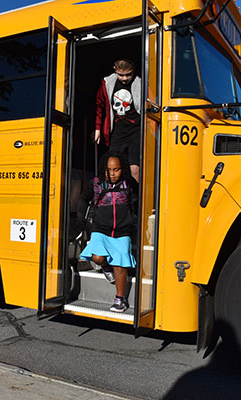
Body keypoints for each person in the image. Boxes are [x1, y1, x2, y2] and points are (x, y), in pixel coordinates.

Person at [74, 151, 136, 313]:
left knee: (120, 263)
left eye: (116, 169)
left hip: (122, 230)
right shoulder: (95, 184)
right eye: (109, 170)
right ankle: (106, 267)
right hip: (101, 228)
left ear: (122, 169)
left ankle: (120, 299)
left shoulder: (128, 183)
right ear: (104, 169)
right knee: (97, 257)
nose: (112, 173)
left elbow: (143, 197)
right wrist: (80, 221)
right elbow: (83, 199)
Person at [94, 59, 141, 183]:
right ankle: (113, 196)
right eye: (121, 75)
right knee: (112, 166)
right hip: (117, 131)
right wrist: (98, 128)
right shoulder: (108, 83)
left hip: (136, 130)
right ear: (115, 70)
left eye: (128, 75)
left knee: (134, 168)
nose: (124, 78)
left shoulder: (140, 83)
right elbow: (99, 105)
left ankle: (134, 198)